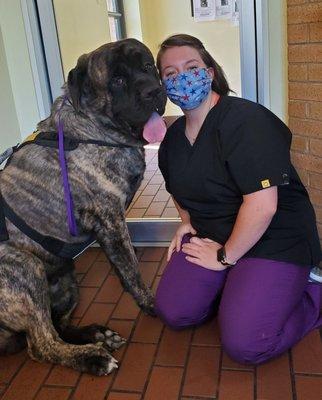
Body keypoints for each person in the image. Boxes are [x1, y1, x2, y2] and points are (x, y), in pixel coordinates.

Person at [155, 34, 322, 365]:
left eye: (191, 67)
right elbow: (178, 188)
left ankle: (314, 292)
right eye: (170, 74)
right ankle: (240, 284)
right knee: (174, 311)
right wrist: (187, 222)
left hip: (274, 237)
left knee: (247, 343)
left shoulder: (246, 121)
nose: (182, 78)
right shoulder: (172, 138)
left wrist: (224, 258)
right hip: (217, 234)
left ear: (210, 72)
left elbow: (264, 206)